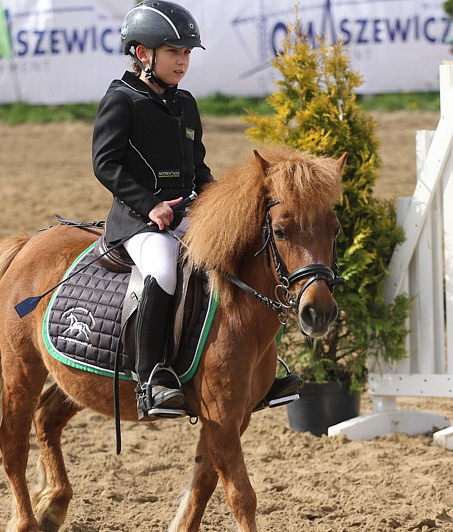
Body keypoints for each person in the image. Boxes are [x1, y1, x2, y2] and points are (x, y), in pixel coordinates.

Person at [92, 1, 302, 420]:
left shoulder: (185, 103)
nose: (182, 62)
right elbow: (105, 164)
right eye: (174, 52)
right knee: (164, 269)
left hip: (187, 212)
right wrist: (150, 204)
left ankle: (260, 368)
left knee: (244, 255)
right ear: (142, 54)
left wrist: (221, 206)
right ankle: (151, 377)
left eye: (187, 53)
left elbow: (198, 167)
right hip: (138, 221)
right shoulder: (121, 100)